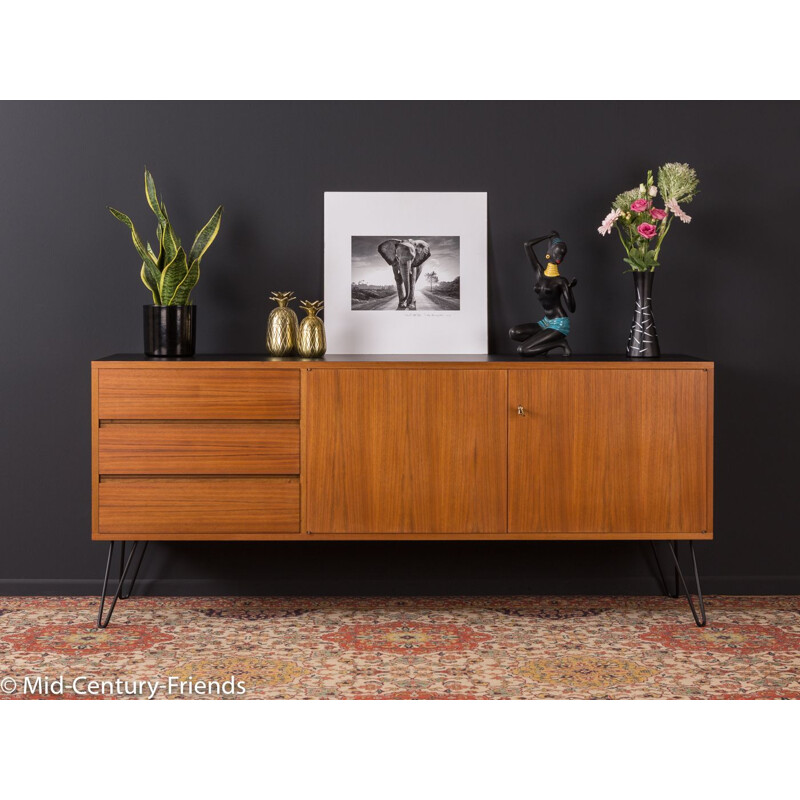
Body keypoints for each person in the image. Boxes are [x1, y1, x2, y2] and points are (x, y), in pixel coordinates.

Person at [509, 231, 577, 356]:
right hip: (545, 322)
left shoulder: (561, 281)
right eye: (558, 252)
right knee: (514, 332)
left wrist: (569, 289)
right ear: (549, 253)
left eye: (562, 254)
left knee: (522, 350)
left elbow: (572, 309)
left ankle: (560, 343)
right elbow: (527, 245)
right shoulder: (539, 273)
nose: (560, 256)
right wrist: (547, 237)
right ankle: (544, 346)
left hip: (559, 324)